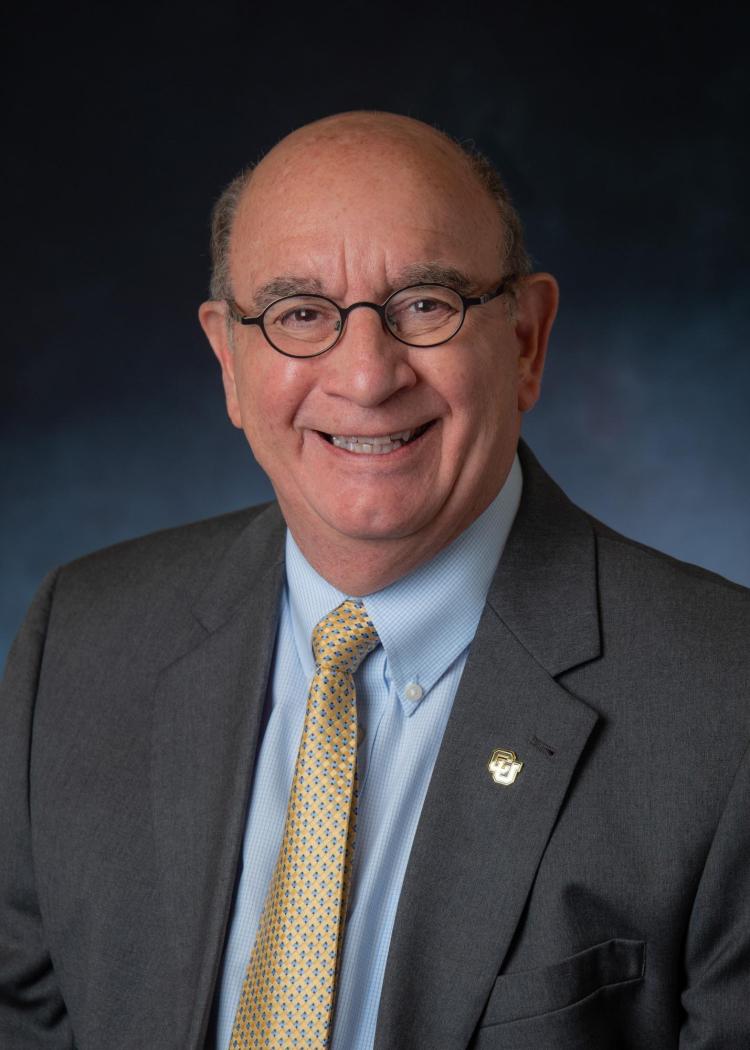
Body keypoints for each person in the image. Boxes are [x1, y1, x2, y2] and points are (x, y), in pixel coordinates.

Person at [1, 111, 748, 1050]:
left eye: (425, 303)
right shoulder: (79, 641)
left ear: (526, 341)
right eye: (299, 314)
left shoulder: (727, 707)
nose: (365, 375)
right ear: (230, 361)